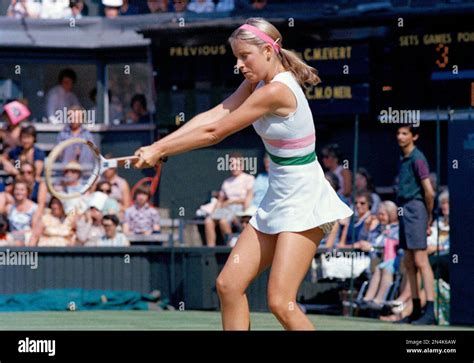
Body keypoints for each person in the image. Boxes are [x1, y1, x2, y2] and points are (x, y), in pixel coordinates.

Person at [134, 18, 353, 330]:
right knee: (229, 285)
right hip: (278, 197)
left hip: (305, 199)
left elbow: (214, 133)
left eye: (244, 56)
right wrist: (158, 145)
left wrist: (161, 152)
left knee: (281, 302)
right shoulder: (257, 82)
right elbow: (214, 114)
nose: (238, 65)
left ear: (267, 50)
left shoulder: (275, 91)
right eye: (236, 57)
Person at [395, 125, 435, 325]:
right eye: (398, 133)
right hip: (405, 210)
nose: (400, 137)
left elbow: (429, 191)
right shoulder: (403, 158)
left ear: (414, 136)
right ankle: (416, 309)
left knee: (421, 260)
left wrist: (428, 216)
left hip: (416, 210)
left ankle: (430, 311)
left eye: (405, 133)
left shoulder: (418, 158)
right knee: (409, 262)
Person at [204, 154, 255, 246]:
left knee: (223, 221)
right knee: (208, 221)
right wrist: (214, 210)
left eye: (236, 165)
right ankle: (210, 250)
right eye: (232, 165)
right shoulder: (226, 182)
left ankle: (231, 246)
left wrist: (232, 202)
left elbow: (248, 198)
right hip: (226, 208)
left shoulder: (249, 178)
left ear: (242, 166)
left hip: (240, 208)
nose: (234, 167)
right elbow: (220, 199)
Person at [7, 181, 40, 245]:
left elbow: (34, 228)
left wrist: (20, 233)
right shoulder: (10, 208)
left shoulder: (34, 208)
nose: (19, 192)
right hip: (12, 236)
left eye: (22, 190)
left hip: (28, 236)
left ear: (27, 192)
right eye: (17, 189)